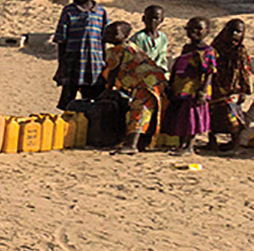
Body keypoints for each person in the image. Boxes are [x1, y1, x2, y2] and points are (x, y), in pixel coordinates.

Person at [103, 19, 166, 152]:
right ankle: (140, 143)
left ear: (125, 36)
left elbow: (112, 72)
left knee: (138, 112)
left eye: (113, 34)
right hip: (154, 81)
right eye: (107, 33)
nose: (108, 36)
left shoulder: (116, 51)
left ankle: (131, 145)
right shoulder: (130, 46)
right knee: (146, 112)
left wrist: (108, 89)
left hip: (146, 84)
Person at [51, 0, 106, 111]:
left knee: (94, 99)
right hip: (73, 63)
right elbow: (61, 40)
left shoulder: (101, 12)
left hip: (95, 64)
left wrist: (105, 63)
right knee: (68, 99)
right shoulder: (69, 11)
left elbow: (103, 39)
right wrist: (61, 65)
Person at [170, 17, 217, 149]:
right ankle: (181, 145)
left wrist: (203, 91)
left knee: (192, 118)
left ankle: (189, 146)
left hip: (195, 90)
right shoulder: (187, 48)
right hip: (182, 88)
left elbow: (209, 72)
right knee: (181, 117)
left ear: (207, 31)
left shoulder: (207, 51)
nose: (194, 31)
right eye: (190, 28)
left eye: (199, 29)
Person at [213, 18, 251, 150]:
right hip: (216, 87)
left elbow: (244, 72)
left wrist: (244, 90)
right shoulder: (216, 47)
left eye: (239, 32)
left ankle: (235, 145)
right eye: (231, 31)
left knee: (233, 118)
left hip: (233, 90)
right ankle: (212, 142)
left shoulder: (240, 51)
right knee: (213, 115)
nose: (235, 34)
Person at [131, 4, 173, 71]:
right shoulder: (138, 38)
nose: (153, 21)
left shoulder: (163, 37)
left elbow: (162, 57)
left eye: (156, 18)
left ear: (161, 20)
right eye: (149, 17)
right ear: (144, 19)